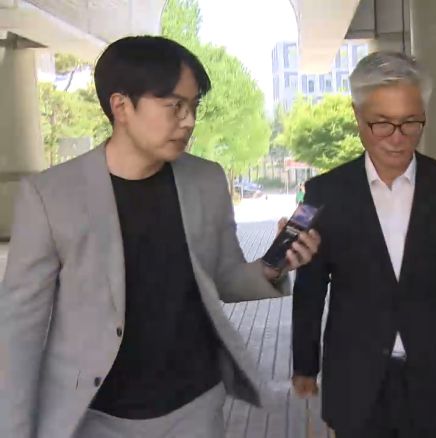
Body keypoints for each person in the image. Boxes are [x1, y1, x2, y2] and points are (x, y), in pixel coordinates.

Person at [0, 36, 320, 438]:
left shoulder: (205, 180)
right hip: (94, 415)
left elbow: (223, 277)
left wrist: (273, 267)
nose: (189, 121)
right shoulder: (50, 196)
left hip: (194, 408)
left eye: (194, 106)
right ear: (121, 106)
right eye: (174, 106)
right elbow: (19, 330)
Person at [291, 51, 436, 438]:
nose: (398, 138)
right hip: (356, 379)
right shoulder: (321, 193)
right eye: (382, 123)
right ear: (357, 116)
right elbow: (310, 286)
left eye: (411, 123)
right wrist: (305, 365)